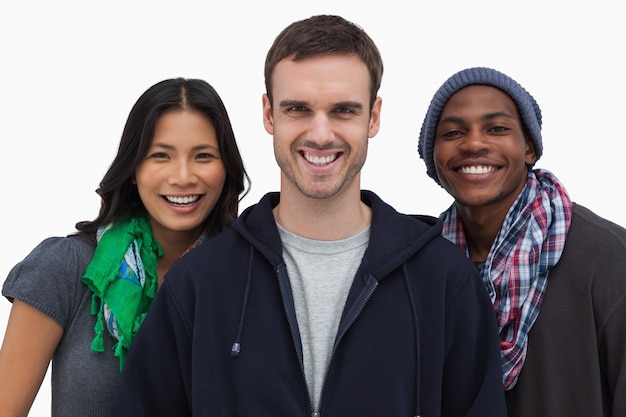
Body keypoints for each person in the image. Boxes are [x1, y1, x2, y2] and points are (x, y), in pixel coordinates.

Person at [107, 15, 506, 417]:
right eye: (298, 109)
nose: (320, 134)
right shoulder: (198, 283)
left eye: (343, 110)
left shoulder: (442, 279)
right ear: (268, 114)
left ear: (373, 117)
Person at [0, 77, 249, 417]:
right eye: (161, 155)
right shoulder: (67, 267)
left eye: (203, 156)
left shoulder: (250, 277)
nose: (183, 176)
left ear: (226, 169)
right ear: (133, 169)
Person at [418, 66, 626, 416]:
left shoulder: (607, 259)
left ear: (529, 148)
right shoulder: (420, 268)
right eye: (453, 132)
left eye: (497, 129)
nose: (473, 143)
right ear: (433, 156)